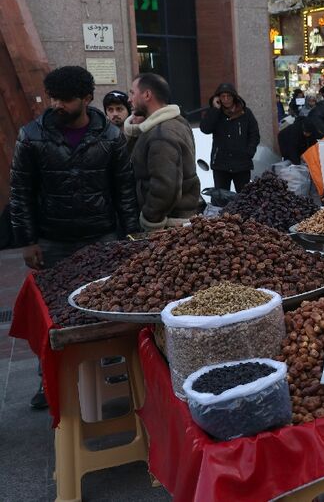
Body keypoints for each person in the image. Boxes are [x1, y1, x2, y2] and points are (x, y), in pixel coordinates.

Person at [10, 66, 139, 409]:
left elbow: (124, 188)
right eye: (53, 97)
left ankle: (112, 371)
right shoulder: (31, 136)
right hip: (52, 240)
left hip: (102, 236)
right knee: (50, 315)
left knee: (109, 309)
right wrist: (27, 239)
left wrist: (130, 237)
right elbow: (20, 191)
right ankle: (47, 382)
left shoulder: (110, 136)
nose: (56, 105)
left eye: (65, 99)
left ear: (85, 98)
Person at [128, 72, 201, 231]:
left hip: (168, 223)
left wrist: (150, 219)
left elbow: (164, 186)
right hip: (177, 218)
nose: (129, 99)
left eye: (132, 93)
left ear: (147, 95)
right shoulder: (174, 122)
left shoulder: (161, 134)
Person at [200, 83, 260, 192]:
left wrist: (249, 152)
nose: (226, 99)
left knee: (245, 199)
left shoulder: (246, 113)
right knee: (222, 199)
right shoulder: (215, 113)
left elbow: (254, 134)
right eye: (223, 96)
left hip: (242, 164)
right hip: (221, 164)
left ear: (234, 97)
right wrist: (215, 110)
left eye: (229, 96)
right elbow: (205, 129)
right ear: (218, 98)